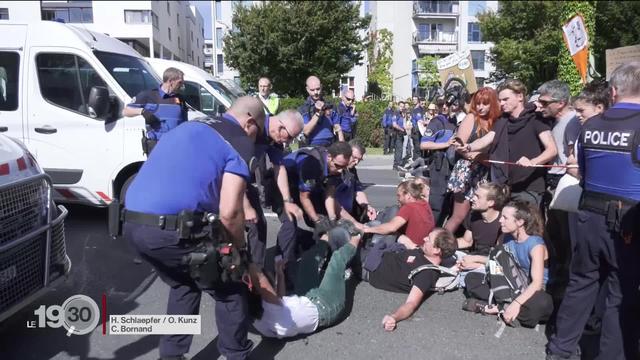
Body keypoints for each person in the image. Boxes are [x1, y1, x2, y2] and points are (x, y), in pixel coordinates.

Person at [122, 98, 266, 360]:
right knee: (230, 288)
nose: (256, 138)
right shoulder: (238, 139)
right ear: (250, 122)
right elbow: (230, 212)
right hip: (171, 231)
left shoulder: (191, 126)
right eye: (259, 130)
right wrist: (239, 254)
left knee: (184, 283)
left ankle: (171, 355)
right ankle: (236, 355)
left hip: (132, 224)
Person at [546, 62, 640, 360]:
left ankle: (559, 350)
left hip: (587, 218)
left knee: (580, 284)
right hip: (628, 222)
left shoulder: (591, 126)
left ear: (613, 91)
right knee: (620, 295)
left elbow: (582, 173)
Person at [248, 227, 362, 338]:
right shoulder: (272, 310)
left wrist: (280, 274)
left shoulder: (256, 312)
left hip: (304, 297)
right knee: (337, 260)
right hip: (325, 306)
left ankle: (325, 238)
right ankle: (358, 236)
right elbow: (260, 278)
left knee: (308, 260)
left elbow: (279, 299)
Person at [465, 79, 557, 207]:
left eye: (505, 99)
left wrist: (533, 162)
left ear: (520, 97)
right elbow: (487, 139)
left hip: (529, 188)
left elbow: (552, 150)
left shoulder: (536, 119)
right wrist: (468, 147)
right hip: (506, 186)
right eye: (500, 100)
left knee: (526, 226)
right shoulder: (503, 120)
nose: (501, 103)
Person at [273, 141, 352, 288]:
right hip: (282, 183)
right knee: (290, 223)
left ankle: (308, 248)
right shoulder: (312, 164)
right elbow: (304, 197)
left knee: (324, 220)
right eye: (338, 166)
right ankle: (281, 267)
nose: (341, 170)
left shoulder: (338, 168)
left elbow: (329, 194)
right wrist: (317, 221)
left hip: (303, 185)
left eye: (344, 166)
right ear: (329, 157)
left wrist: (332, 219)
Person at [464, 201, 553, 328]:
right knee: (472, 278)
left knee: (543, 305)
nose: (500, 220)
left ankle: (497, 306)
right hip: (509, 284)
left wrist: (516, 303)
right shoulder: (505, 237)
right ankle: (504, 307)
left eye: (505, 218)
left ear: (520, 222)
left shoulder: (535, 245)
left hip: (532, 290)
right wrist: (476, 260)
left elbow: (537, 284)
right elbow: (496, 261)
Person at [359, 228, 457, 331]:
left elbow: (411, 303)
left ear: (437, 250)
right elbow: (405, 241)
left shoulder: (426, 274)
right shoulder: (423, 252)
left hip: (369, 267)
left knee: (343, 236)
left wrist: (394, 317)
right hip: (377, 251)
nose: (424, 239)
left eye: (428, 239)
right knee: (371, 226)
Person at [535, 80, 577, 297]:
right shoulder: (555, 122)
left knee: (565, 237)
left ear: (560, 103)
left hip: (565, 187)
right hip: (553, 184)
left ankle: (565, 284)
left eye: (544, 102)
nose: (539, 106)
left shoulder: (573, 122)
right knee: (554, 234)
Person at [247, 109, 304, 269]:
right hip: (225, 178)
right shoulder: (252, 127)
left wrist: (287, 201)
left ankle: (258, 272)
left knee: (259, 225)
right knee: (249, 223)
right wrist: (245, 205)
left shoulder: (274, 139)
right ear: (280, 127)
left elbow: (280, 167)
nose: (289, 142)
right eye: (290, 137)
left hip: (244, 179)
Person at [447, 87, 501, 234]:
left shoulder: (498, 121)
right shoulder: (471, 118)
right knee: (459, 216)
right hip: (467, 170)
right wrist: (481, 158)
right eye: (477, 103)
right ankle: (438, 244)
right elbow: (459, 146)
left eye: (485, 103)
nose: (480, 107)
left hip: (486, 172)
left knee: (481, 214)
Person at [123, 67, 188, 155]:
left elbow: (184, 123)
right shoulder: (148, 95)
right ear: (170, 81)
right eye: (180, 82)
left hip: (176, 146)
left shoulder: (180, 98)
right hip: (156, 147)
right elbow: (126, 111)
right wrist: (142, 111)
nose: (182, 85)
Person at [360, 180, 435, 249]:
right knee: (379, 221)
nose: (398, 199)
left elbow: (391, 228)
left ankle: (373, 248)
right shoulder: (424, 204)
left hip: (410, 247)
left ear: (408, 196)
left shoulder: (410, 207)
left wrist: (368, 230)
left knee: (392, 211)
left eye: (399, 196)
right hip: (421, 245)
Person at [420, 98, 458, 225]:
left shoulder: (455, 121)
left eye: (447, 104)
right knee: (437, 203)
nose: (445, 107)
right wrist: (445, 144)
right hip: (439, 165)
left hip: (452, 166)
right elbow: (424, 144)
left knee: (449, 204)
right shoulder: (436, 122)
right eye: (442, 105)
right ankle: (430, 231)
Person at [457, 182, 510, 268]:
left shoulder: (502, 223)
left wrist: (475, 262)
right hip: (472, 257)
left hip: (491, 265)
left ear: (491, 203)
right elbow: (467, 241)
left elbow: (498, 257)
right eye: (474, 195)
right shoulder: (473, 215)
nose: (473, 199)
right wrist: (445, 243)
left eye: (478, 197)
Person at [333, 140, 377, 226]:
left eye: (359, 160)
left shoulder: (352, 170)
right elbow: (332, 200)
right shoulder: (335, 171)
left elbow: (357, 189)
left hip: (348, 215)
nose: (356, 162)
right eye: (354, 158)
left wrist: (367, 206)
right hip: (336, 216)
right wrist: (353, 222)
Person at [299, 76, 337, 147]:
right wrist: (318, 113)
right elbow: (306, 131)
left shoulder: (330, 105)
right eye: (312, 90)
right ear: (307, 89)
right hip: (312, 146)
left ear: (321, 87)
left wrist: (342, 147)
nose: (316, 92)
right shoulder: (303, 109)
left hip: (330, 145)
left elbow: (338, 127)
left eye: (318, 89)